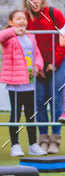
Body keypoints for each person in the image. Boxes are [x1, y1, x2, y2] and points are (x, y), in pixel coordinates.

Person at [23, 0, 65, 154]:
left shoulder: (54, 14)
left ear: (42, 0)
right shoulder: (25, 18)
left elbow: (64, 38)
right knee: (39, 101)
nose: (34, 2)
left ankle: (55, 139)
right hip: (37, 65)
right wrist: (36, 65)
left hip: (57, 62)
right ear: (26, 2)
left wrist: (54, 62)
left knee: (55, 100)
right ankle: (43, 139)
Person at [0, 9, 46, 156]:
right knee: (15, 114)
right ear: (11, 22)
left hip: (29, 82)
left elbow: (37, 54)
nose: (22, 21)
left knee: (30, 114)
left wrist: (38, 66)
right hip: (15, 83)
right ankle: (15, 145)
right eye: (18, 18)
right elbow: (1, 36)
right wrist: (14, 31)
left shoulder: (31, 37)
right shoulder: (9, 38)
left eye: (24, 18)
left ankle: (33, 144)